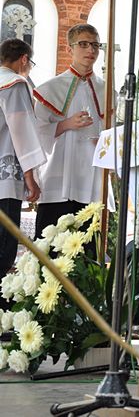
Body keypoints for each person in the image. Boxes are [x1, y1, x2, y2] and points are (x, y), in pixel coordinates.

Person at [33, 24, 107, 238]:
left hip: (92, 179)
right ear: (70, 49)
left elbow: (111, 131)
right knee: (52, 247)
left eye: (95, 45)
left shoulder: (106, 89)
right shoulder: (51, 88)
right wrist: (66, 124)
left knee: (87, 252)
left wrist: (104, 142)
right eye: (83, 44)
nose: (90, 50)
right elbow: (35, 132)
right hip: (60, 175)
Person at [0, 39, 45, 309]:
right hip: (5, 182)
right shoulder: (14, 84)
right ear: (24, 60)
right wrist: (31, 177)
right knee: (4, 249)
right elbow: (21, 130)